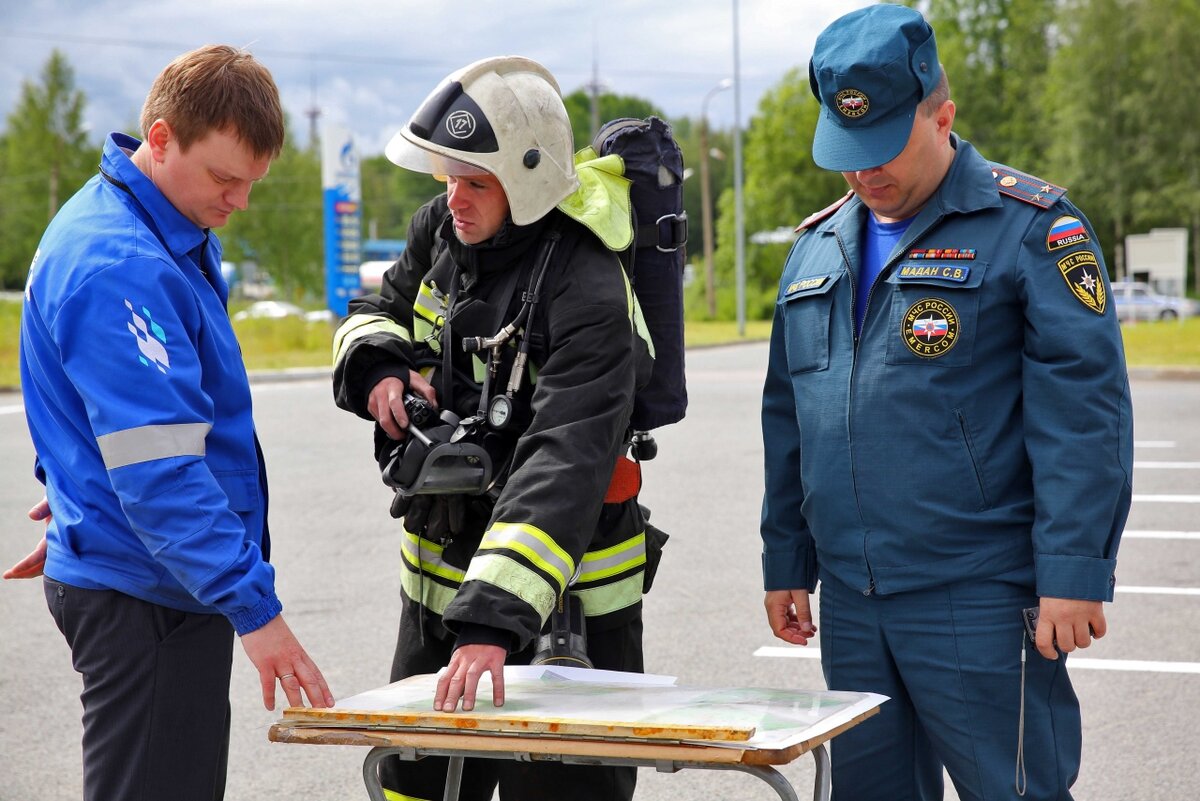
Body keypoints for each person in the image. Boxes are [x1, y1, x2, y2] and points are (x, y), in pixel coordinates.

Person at [759, 5, 1132, 801]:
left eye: (885, 147)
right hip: (853, 605)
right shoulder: (815, 248)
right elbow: (791, 415)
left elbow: (1083, 414)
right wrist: (785, 557)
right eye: (847, 153)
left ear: (943, 115)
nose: (865, 173)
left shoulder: (1033, 230)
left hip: (982, 597)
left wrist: (1075, 570)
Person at [332, 56, 660, 801]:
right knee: (414, 783)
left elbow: (563, 460)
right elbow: (375, 311)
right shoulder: (441, 233)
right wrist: (381, 368)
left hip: (564, 606)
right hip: (436, 589)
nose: (454, 198)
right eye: (448, 176)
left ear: (530, 182)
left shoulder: (588, 285)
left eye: (475, 182)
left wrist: (492, 622)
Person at [11, 44, 334, 801]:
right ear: (159, 139)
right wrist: (257, 609)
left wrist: (76, 488)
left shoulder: (150, 222)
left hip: (150, 570)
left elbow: (100, 410)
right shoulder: (122, 263)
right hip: (148, 591)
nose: (240, 201)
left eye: (252, 183)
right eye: (226, 178)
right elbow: (160, 472)